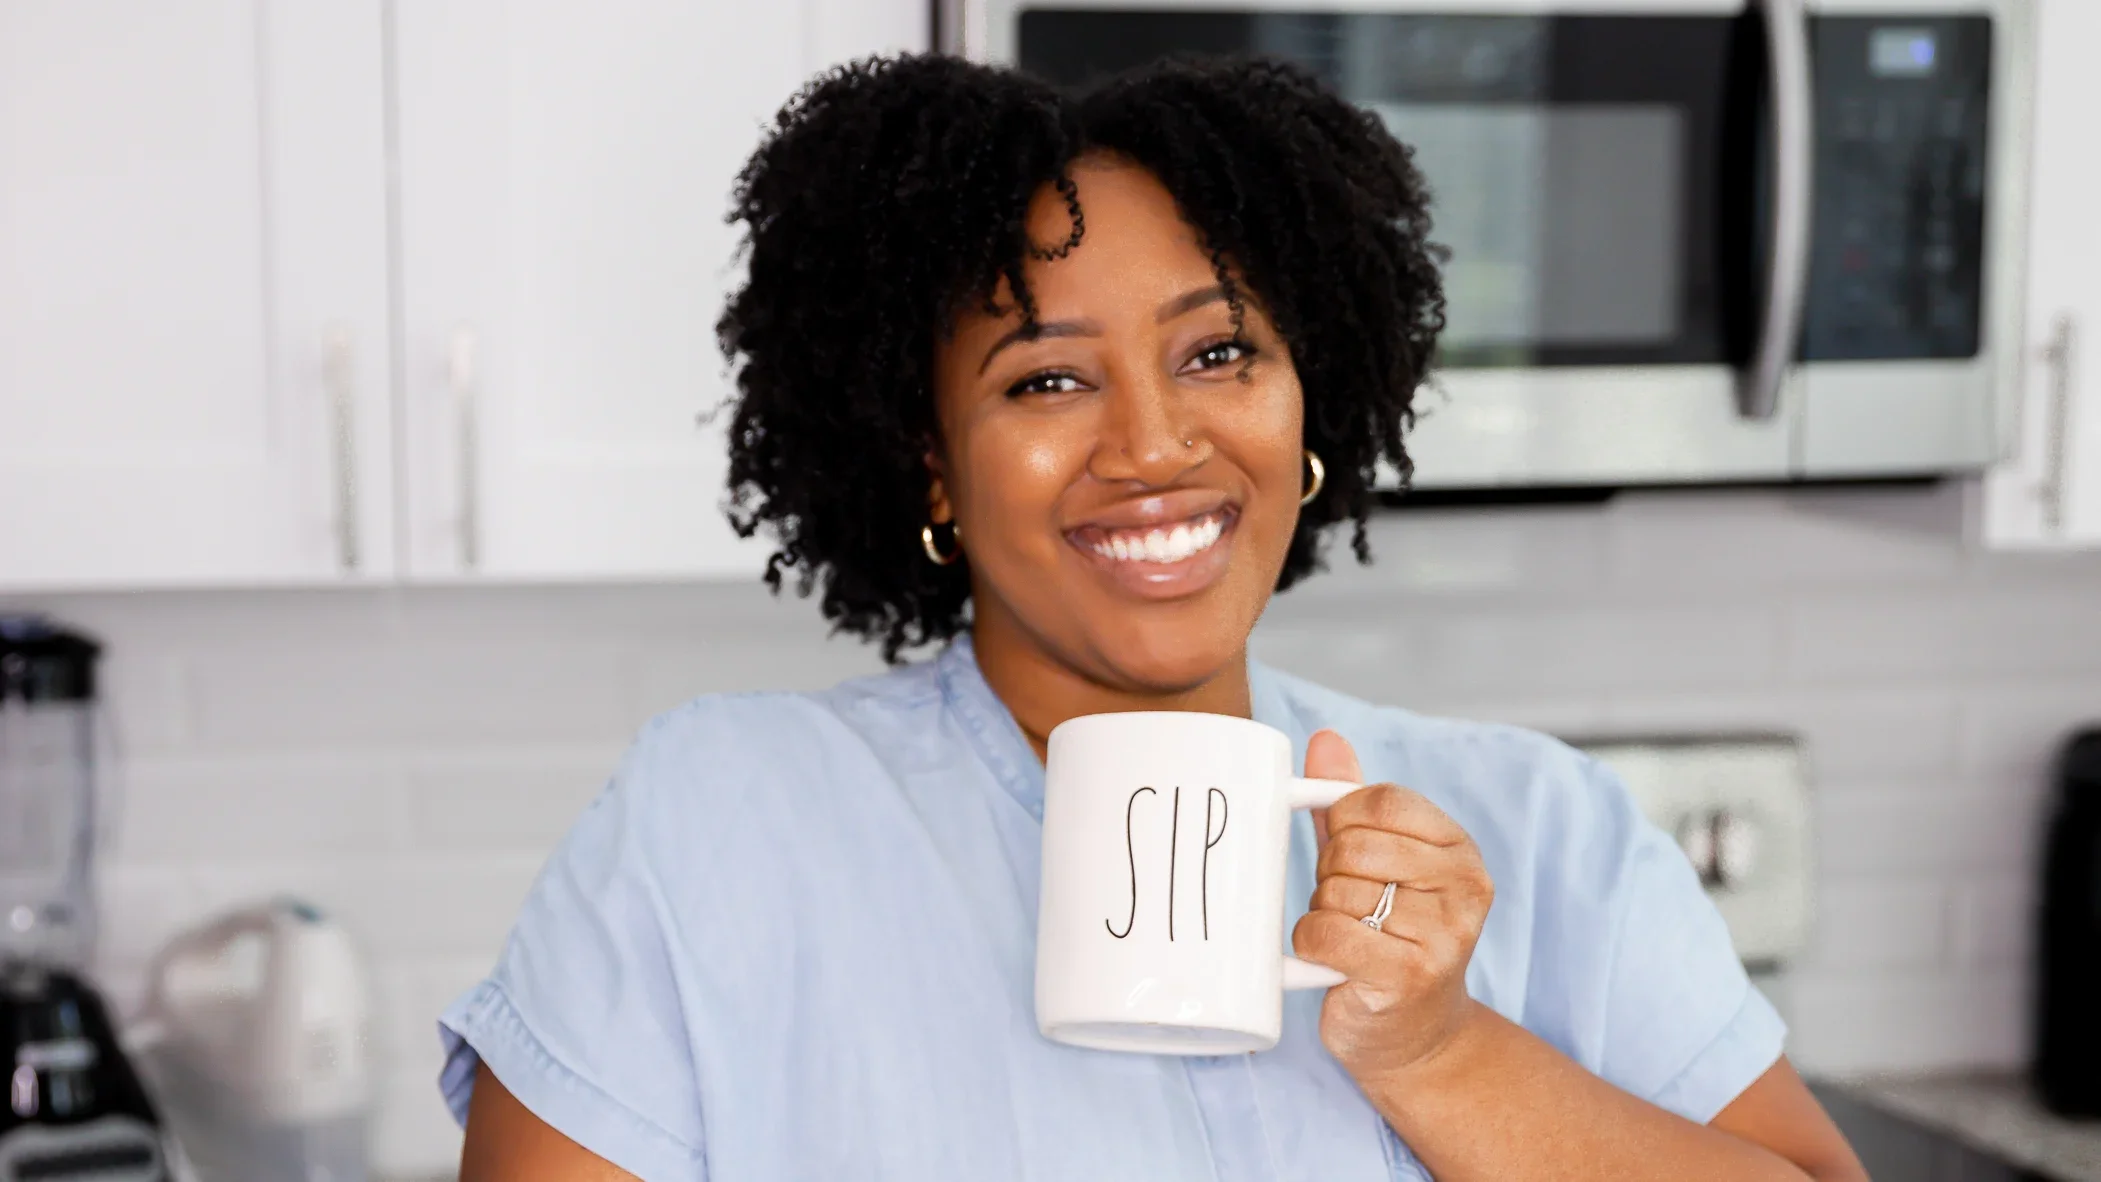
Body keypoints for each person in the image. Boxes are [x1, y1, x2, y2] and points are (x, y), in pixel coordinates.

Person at [441, 53, 1867, 1182]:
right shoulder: (716, 828)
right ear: (931, 459)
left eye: (1220, 351)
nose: (1154, 445)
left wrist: (1440, 1054)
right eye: (1047, 381)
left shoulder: (1546, 833)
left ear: (1310, 399)